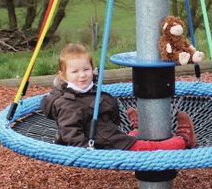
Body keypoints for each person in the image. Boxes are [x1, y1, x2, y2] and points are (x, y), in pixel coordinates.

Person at [40, 43, 197, 151]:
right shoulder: (68, 104)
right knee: (149, 148)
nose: (82, 75)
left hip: (107, 135)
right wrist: (86, 151)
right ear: (63, 75)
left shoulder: (85, 89)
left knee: (125, 138)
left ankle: (136, 130)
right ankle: (184, 140)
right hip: (101, 144)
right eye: (75, 72)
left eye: (86, 69)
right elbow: (70, 132)